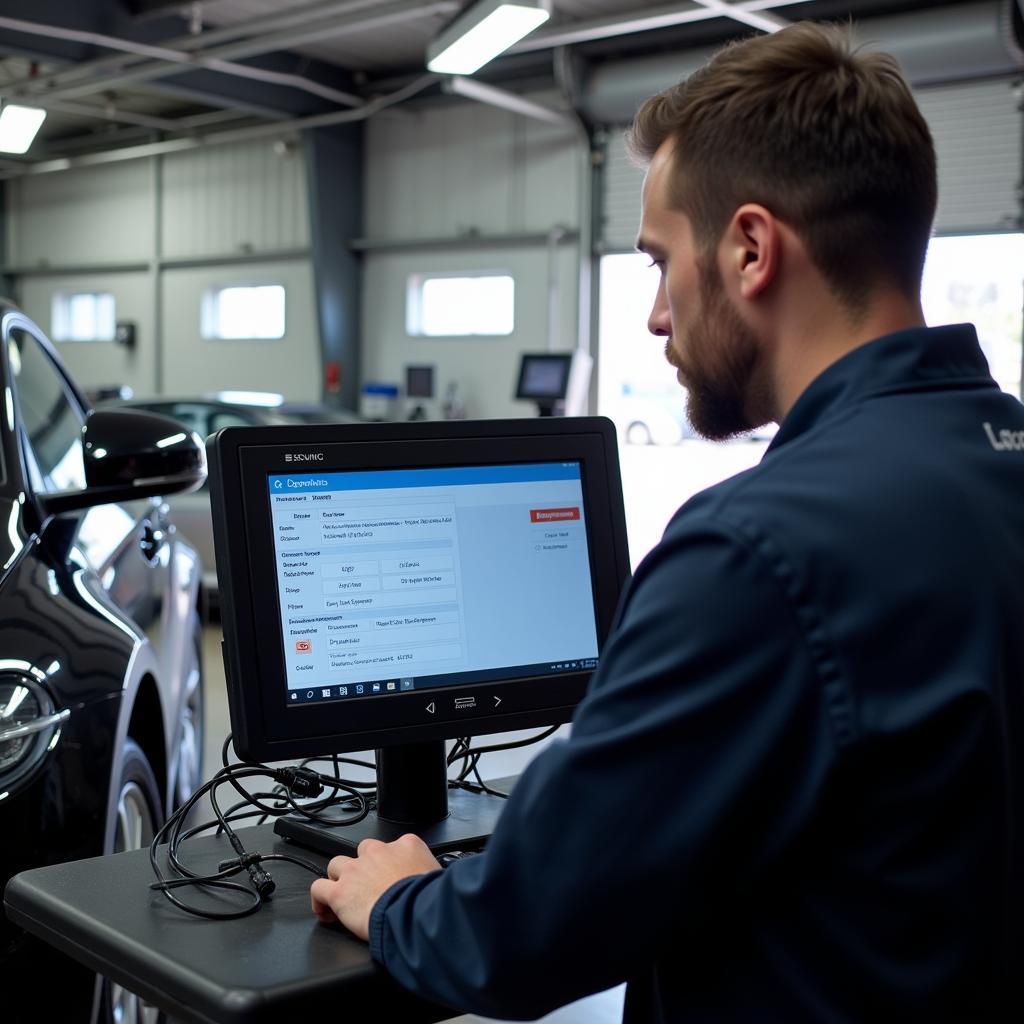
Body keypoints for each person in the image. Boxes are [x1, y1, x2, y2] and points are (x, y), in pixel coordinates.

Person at [311, 22, 1024, 1021]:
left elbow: (518, 934)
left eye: (656, 262)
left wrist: (398, 902)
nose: (654, 315)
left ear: (747, 247)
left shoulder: (758, 551)